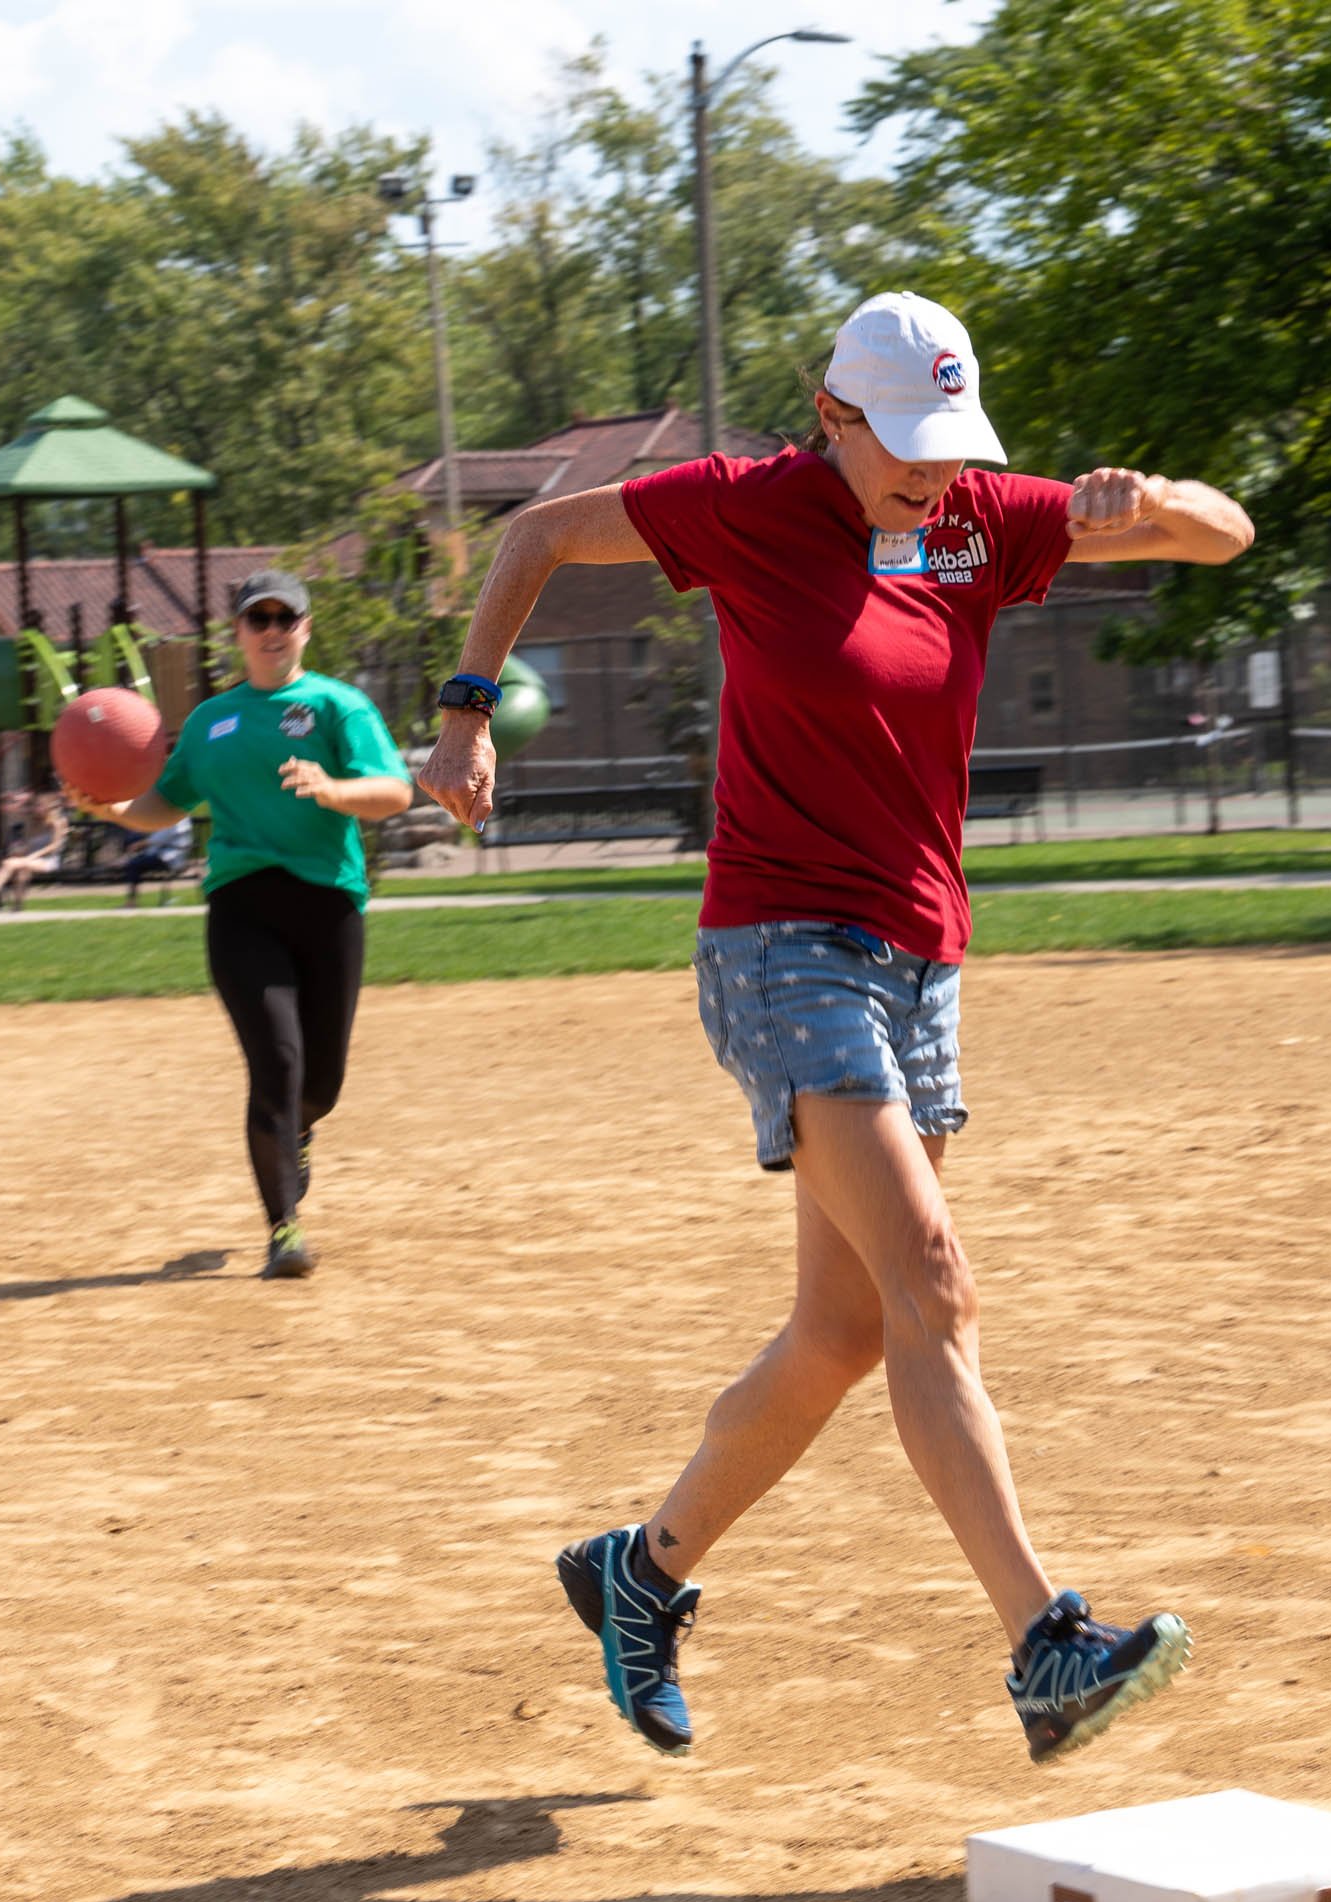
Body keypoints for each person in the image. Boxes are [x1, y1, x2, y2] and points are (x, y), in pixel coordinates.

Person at [419, 290, 1255, 1766]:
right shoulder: (747, 511)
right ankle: (1044, 1645)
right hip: (782, 947)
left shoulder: (973, 523)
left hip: (922, 960)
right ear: (834, 417)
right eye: (906, 443)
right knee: (935, 1280)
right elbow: (534, 535)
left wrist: (1149, 499)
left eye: (952, 440)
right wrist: (467, 712)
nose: (933, 471)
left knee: (845, 1328)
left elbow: (1224, 535)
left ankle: (642, 1571)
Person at [69, 570, 412, 1278]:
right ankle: (284, 1229)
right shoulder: (209, 721)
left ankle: (303, 1128)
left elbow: (395, 792)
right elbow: (165, 801)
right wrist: (110, 811)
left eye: (286, 616)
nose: (272, 629)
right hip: (241, 907)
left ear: (306, 628)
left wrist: (331, 788)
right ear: (239, 632)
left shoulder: (336, 706)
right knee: (276, 1064)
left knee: (321, 1083)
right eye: (259, 618)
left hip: (327, 905)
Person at [0, 792, 68, 910]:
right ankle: (18, 905)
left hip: (49, 861)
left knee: (9, 863)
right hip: (33, 859)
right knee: (21, 871)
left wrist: (33, 855)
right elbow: (21, 813)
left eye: (39, 805)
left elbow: (55, 845)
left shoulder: (57, 823)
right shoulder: (35, 821)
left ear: (48, 807)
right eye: (36, 805)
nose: (36, 808)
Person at [120, 815, 194, 905]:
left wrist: (137, 846)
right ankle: (121, 862)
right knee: (137, 859)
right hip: (175, 856)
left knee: (134, 864)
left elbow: (156, 839)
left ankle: (131, 902)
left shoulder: (173, 820)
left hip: (168, 858)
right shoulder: (182, 818)